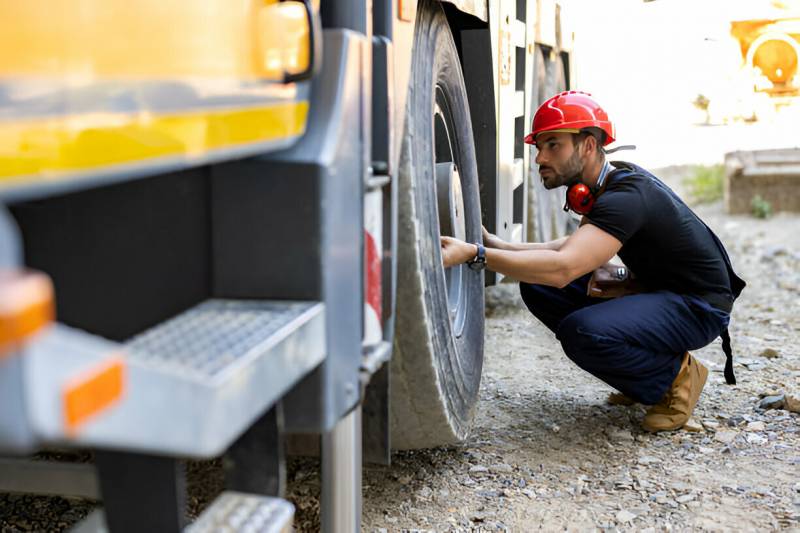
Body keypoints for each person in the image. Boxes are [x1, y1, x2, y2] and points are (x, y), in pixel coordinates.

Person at [441, 91, 745, 432]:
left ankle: (675, 377)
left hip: (698, 306)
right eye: (539, 147)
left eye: (553, 145)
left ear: (587, 145)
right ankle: (639, 374)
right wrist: (497, 245)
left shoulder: (625, 197)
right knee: (538, 288)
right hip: (659, 291)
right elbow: (570, 247)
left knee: (581, 330)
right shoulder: (609, 184)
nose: (540, 157)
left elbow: (563, 268)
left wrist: (476, 255)